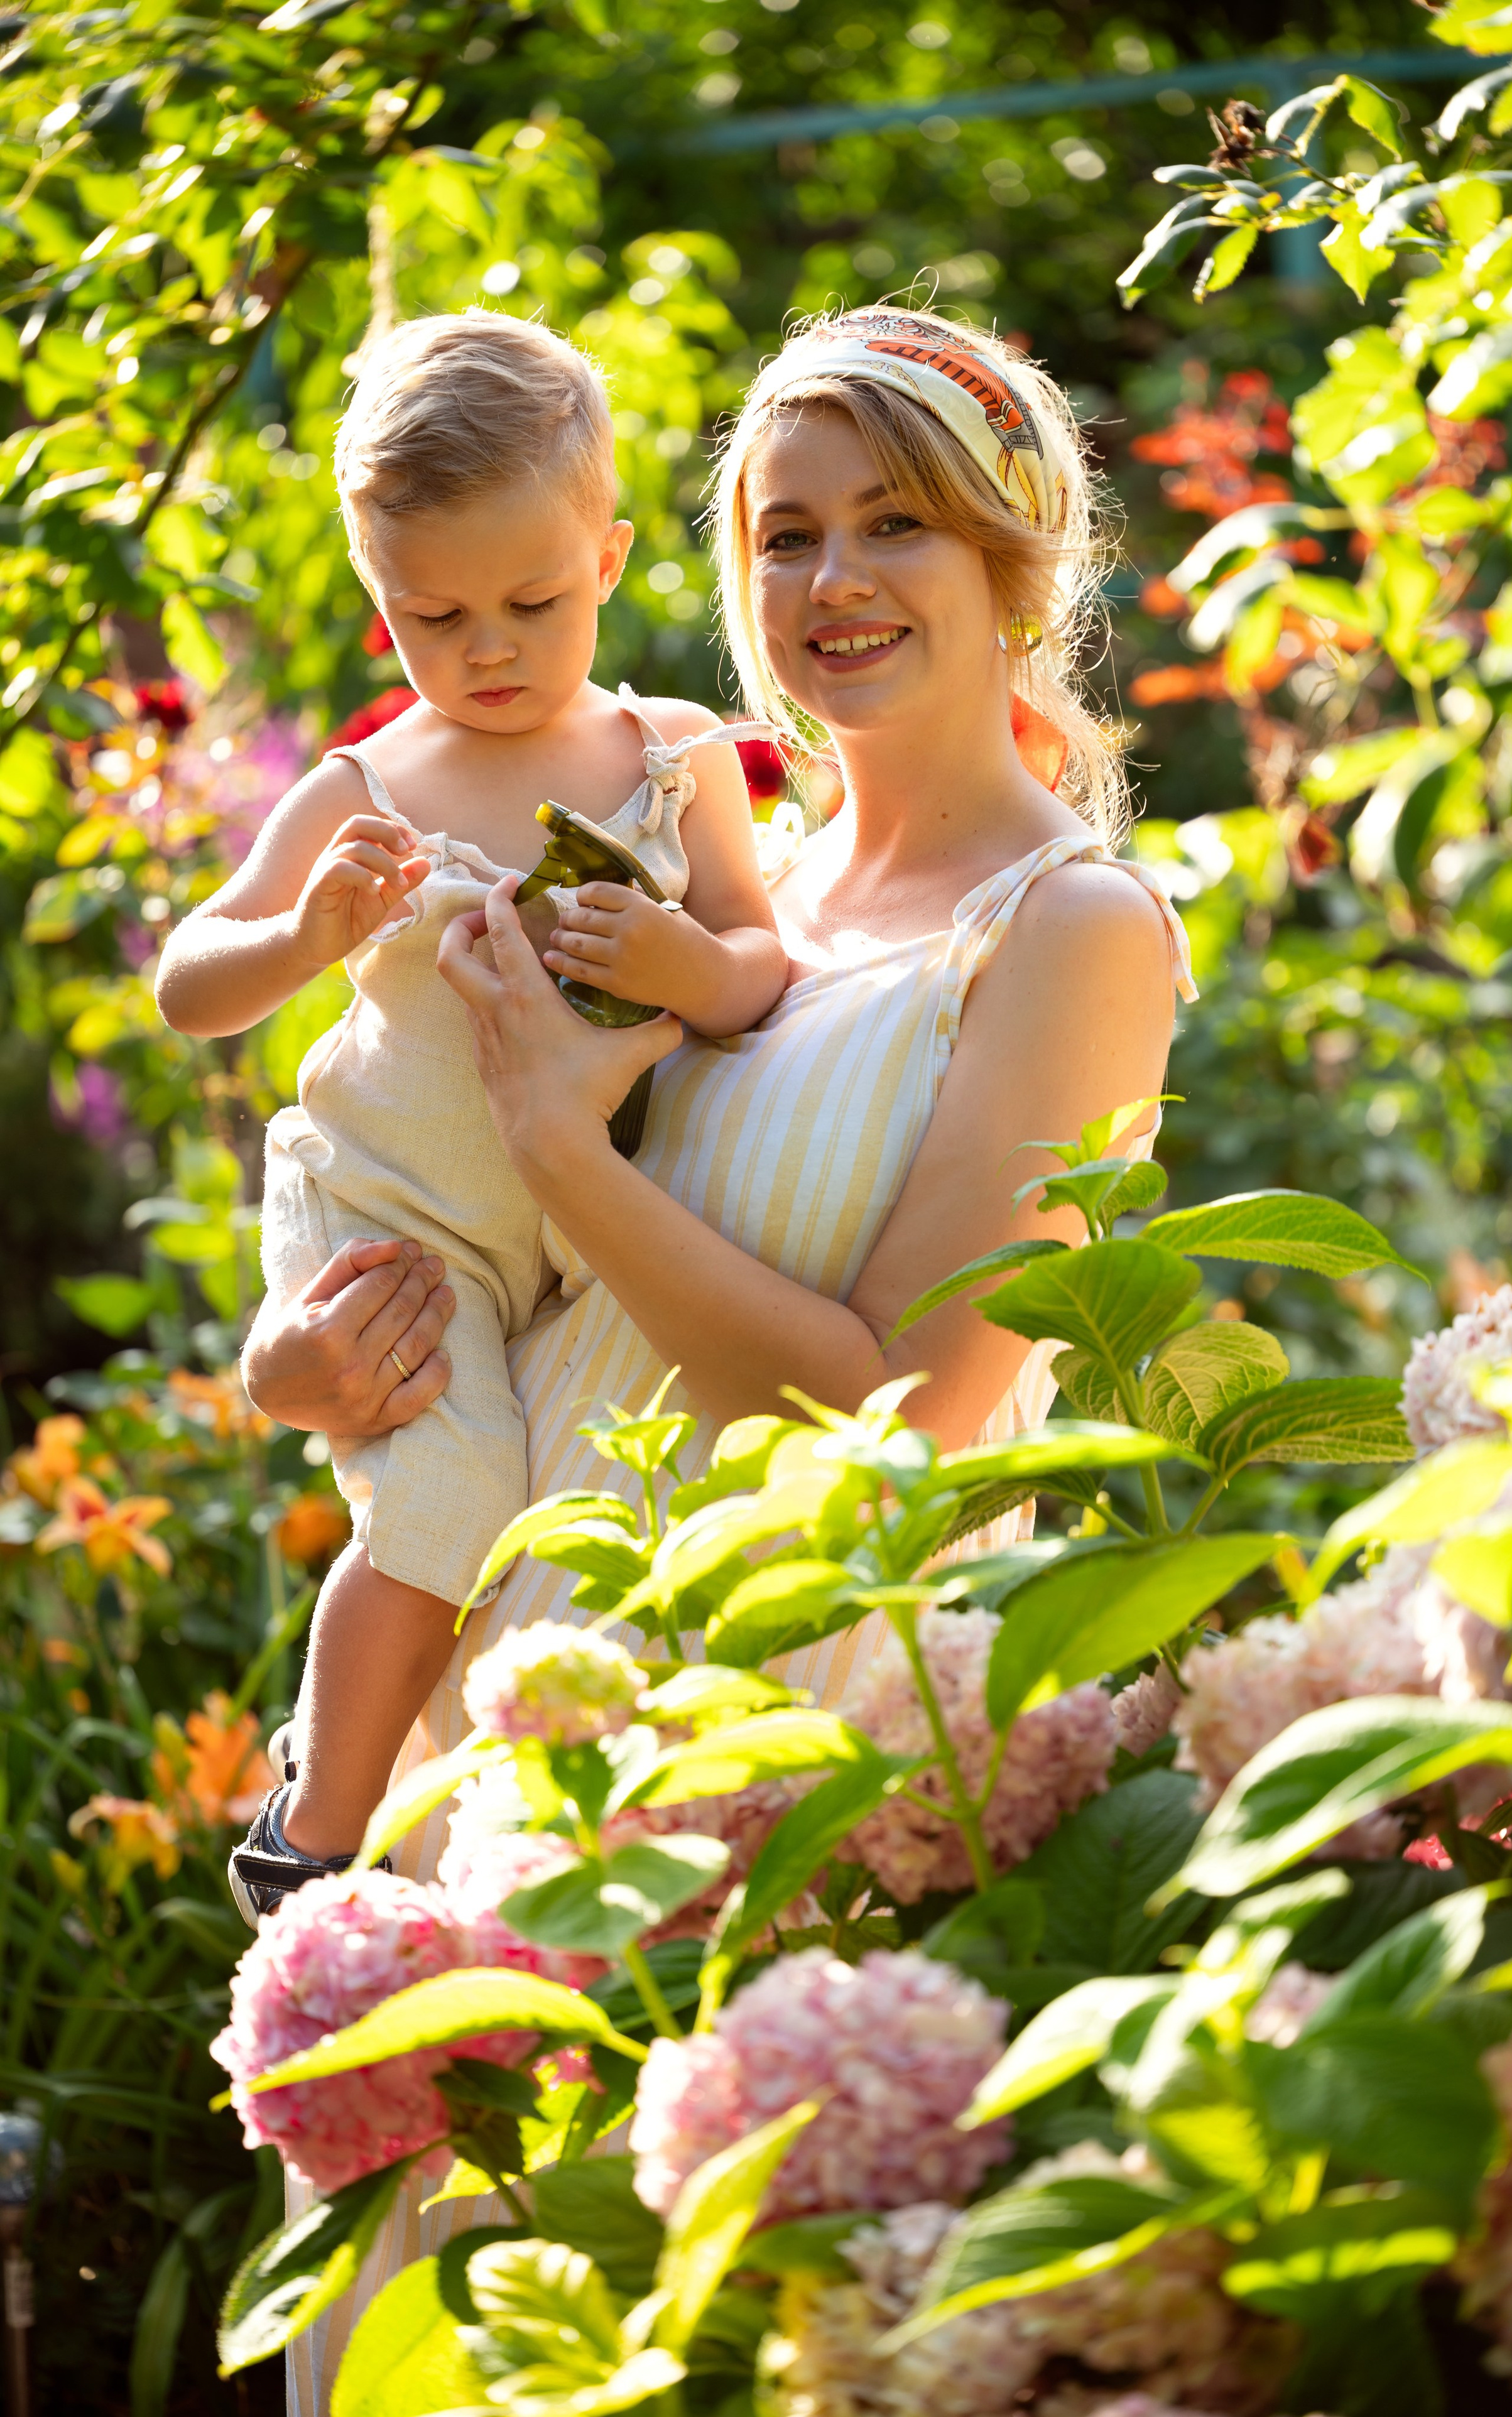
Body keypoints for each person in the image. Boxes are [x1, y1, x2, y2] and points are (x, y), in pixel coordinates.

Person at [239, 304, 1195, 2409]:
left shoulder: (1069, 927)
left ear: (1014, 566)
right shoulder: (701, 889)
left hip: (781, 1772)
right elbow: (492, 1264)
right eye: (784, 533)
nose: (832, 583)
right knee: (406, 2345)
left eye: (895, 528)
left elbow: (900, 1414)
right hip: (519, 1712)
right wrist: (314, 1379)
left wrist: (566, 1141)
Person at [155, 311, 788, 1923]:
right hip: (400, 1223)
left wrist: (682, 962)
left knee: (548, 1523)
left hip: (574, 1242)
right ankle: (316, 1834)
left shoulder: (676, 759)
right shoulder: (369, 793)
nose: (488, 648)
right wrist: (303, 935)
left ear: (610, 554)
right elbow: (188, 980)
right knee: (448, 1500)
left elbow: (761, 962)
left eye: (533, 601)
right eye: (432, 614)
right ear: (380, 598)